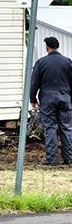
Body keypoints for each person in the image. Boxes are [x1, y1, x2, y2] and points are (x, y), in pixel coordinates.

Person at [30, 36, 72, 165]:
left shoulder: (41, 62)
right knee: (67, 127)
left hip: (48, 100)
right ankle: (69, 158)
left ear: (47, 47)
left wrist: (33, 99)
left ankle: (52, 159)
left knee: (50, 128)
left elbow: (34, 83)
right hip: (65, 98)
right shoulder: (68, 62)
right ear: (57, 46)